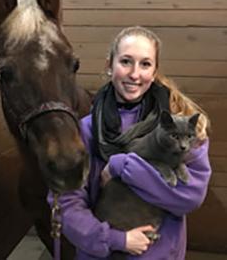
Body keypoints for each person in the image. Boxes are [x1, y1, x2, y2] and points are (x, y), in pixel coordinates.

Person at [48, 26, 211, 259]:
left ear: (154, 71)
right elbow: (66, 202)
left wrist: (123, 166)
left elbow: (188, 196)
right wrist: (116, 240)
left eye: (145, 64)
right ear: (109, 66)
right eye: (126, 61)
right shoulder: (85, 129)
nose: (135, 74)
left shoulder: (180, 125)